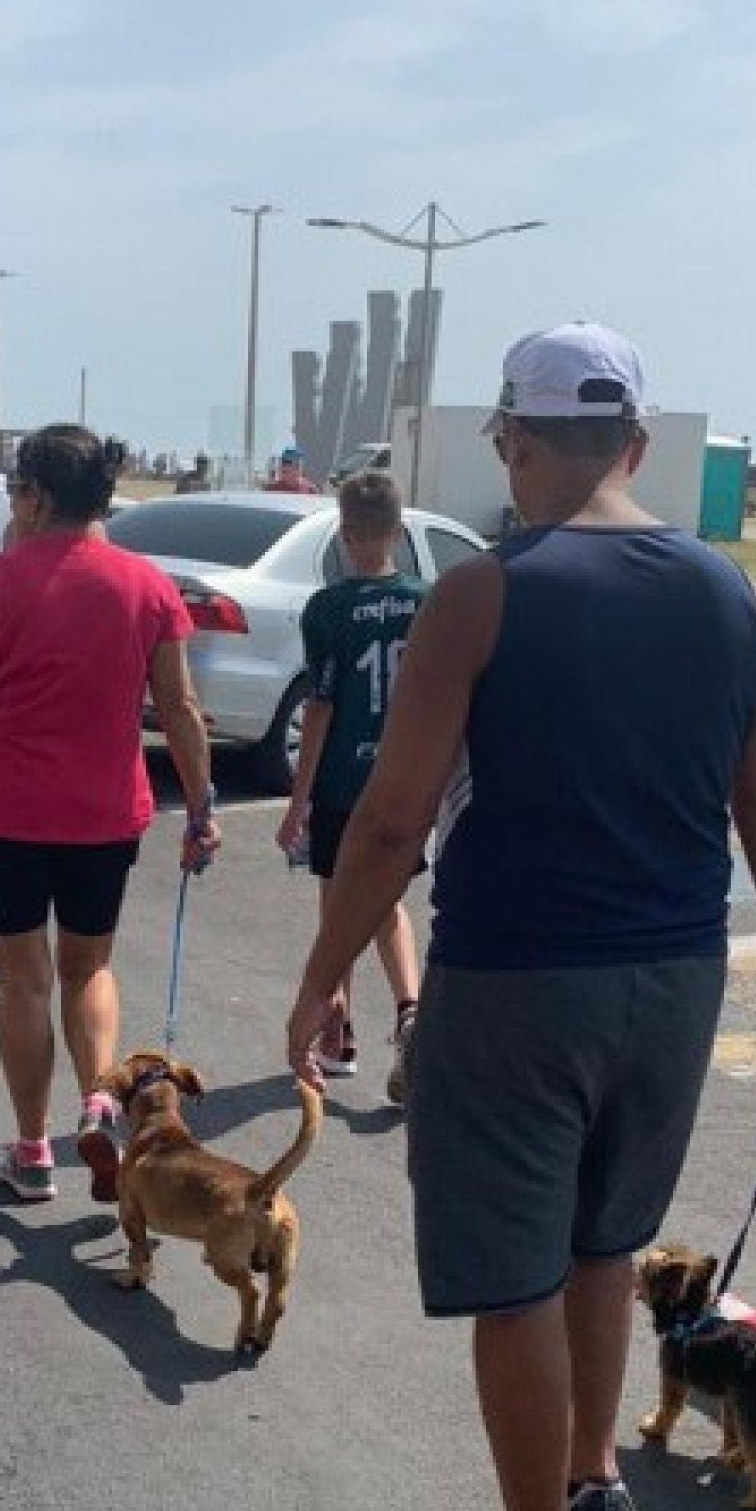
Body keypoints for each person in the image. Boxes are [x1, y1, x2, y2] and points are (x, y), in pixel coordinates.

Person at [285, 323, 756, 1511]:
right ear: (640, 448)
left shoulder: (483, 593)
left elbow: (391, 823)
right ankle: (591, 1491)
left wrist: (323, 982)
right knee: (604, 1253)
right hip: (674, 981)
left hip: (517, 979)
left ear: (512, 440)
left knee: (512, 1280)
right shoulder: (733, 597)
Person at [0, 425, 221, 1202]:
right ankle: (99, 1099)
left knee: (23, 981)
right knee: (88, 967)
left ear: (32, 496)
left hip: (6, 811)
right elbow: (182, 709)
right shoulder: (146, 586)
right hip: (106, 812)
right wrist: (200, 807)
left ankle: (31, 1152)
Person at [276, 471, 424, 1102]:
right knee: (387, 900)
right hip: (402, 776)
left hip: (342, 778)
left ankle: (337, 1026)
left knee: (338, 902)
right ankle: (410, 1009)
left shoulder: (329, 610)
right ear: (397, 531)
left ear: (342, 532)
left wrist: (299, 797)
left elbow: (321, 706)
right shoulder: (425, 599)